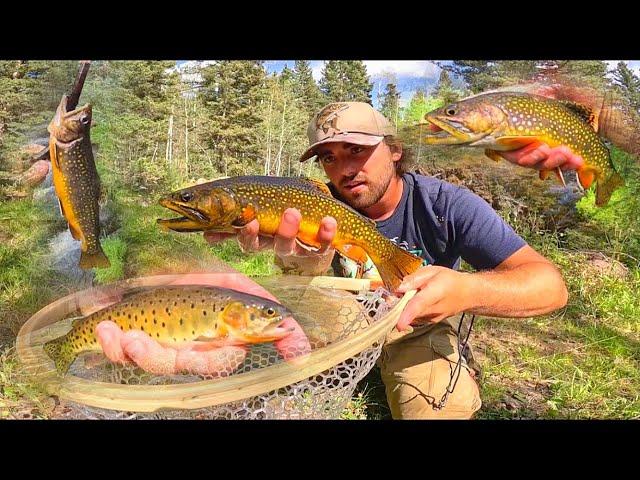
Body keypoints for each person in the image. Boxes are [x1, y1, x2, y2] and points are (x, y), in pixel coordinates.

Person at [204, 102, 576, 419]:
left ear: (394, 150)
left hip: (416, 328)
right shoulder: (308, 206)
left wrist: (467, 288)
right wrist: (302, 262)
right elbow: (306, 288)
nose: (345, 169)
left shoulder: (446, 205)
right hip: (335, 324)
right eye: (329, 158)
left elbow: (549, 286)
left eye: (356, 150)